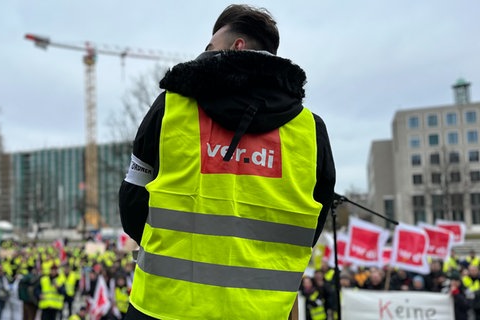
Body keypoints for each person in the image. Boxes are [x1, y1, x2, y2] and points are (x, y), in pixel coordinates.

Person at [119, 4, 335, 319]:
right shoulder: (310, 130)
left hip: (164, 305)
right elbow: (313, 223)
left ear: (237, 46)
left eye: (210, 47)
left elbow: (132, 201)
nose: (202, 54)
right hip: (262, 311)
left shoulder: (172, 108)